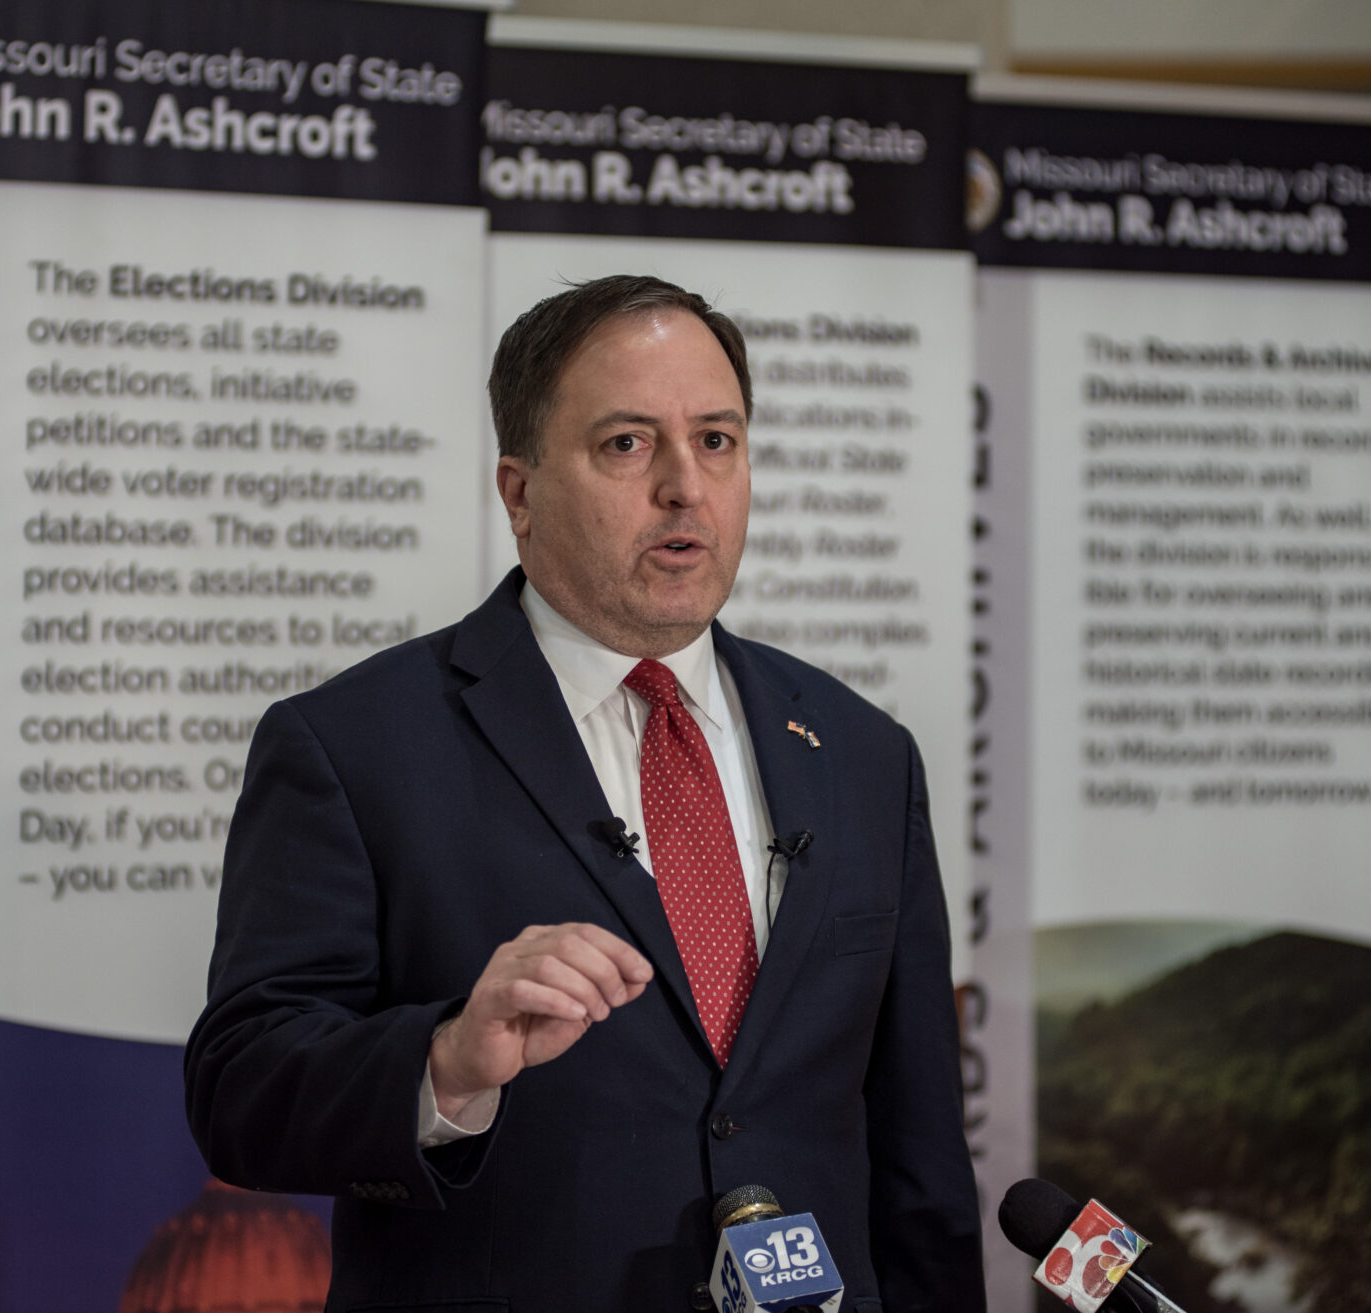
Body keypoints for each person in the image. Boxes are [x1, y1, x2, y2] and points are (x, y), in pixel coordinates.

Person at [184, 275, 984, 1312]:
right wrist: (446, 1059)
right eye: (625, 444)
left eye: (715, 440)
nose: (684, 488)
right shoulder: (354, 745)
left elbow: (917, 1150)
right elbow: (241, 1090)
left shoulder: (861, 752)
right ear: (518, 492)